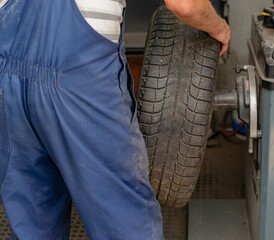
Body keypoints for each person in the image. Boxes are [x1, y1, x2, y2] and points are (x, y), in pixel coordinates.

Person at [0, 0, 230, 239]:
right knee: (124, 224)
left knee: (34, 222)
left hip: (7, 81)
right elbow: (184, 5)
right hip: (80, 81)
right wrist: (219, 27)